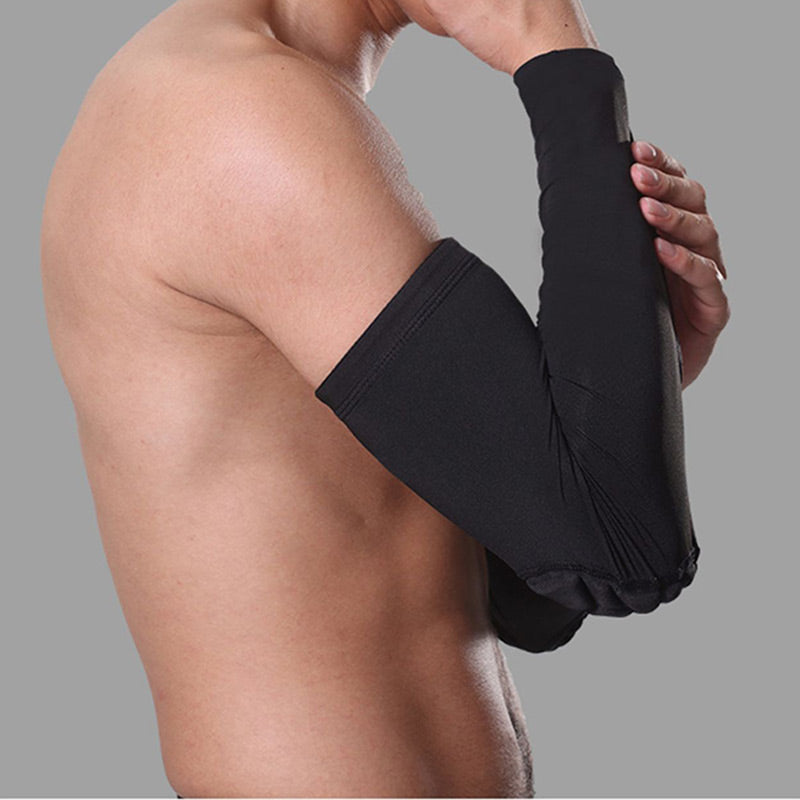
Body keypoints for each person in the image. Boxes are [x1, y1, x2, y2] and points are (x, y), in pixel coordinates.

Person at [40, 0, 729, 796]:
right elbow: (622, 549)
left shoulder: (242, 93)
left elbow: (536, 583)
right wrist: (554, 51)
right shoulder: (233, 115)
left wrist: (630, 376)